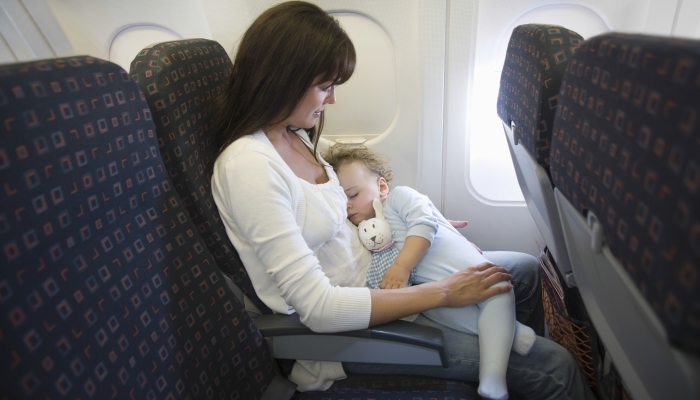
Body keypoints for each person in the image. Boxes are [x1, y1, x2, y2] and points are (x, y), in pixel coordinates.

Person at [210, 1, 594, 399]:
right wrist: (444, 292)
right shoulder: (248, 168)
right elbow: (319, 308)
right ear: (283, 79)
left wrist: (427, 226)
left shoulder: (294, 134)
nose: (334, 100)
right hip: (354, 327)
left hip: (383, 272)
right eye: (325, 86)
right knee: (555, 367)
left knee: (525, 272)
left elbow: (350, 207)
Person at [324, 144, 536, 400]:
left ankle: (493, 375)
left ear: (381, 187)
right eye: (340, 199)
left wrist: (402, 266)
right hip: (433, 285)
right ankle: (510, 332)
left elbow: (424, 223)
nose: (347, 206)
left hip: (464, 269)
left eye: (353, 194)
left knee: (498, 291)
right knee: (435, 309)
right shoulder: (368, 227)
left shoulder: (399, 197)